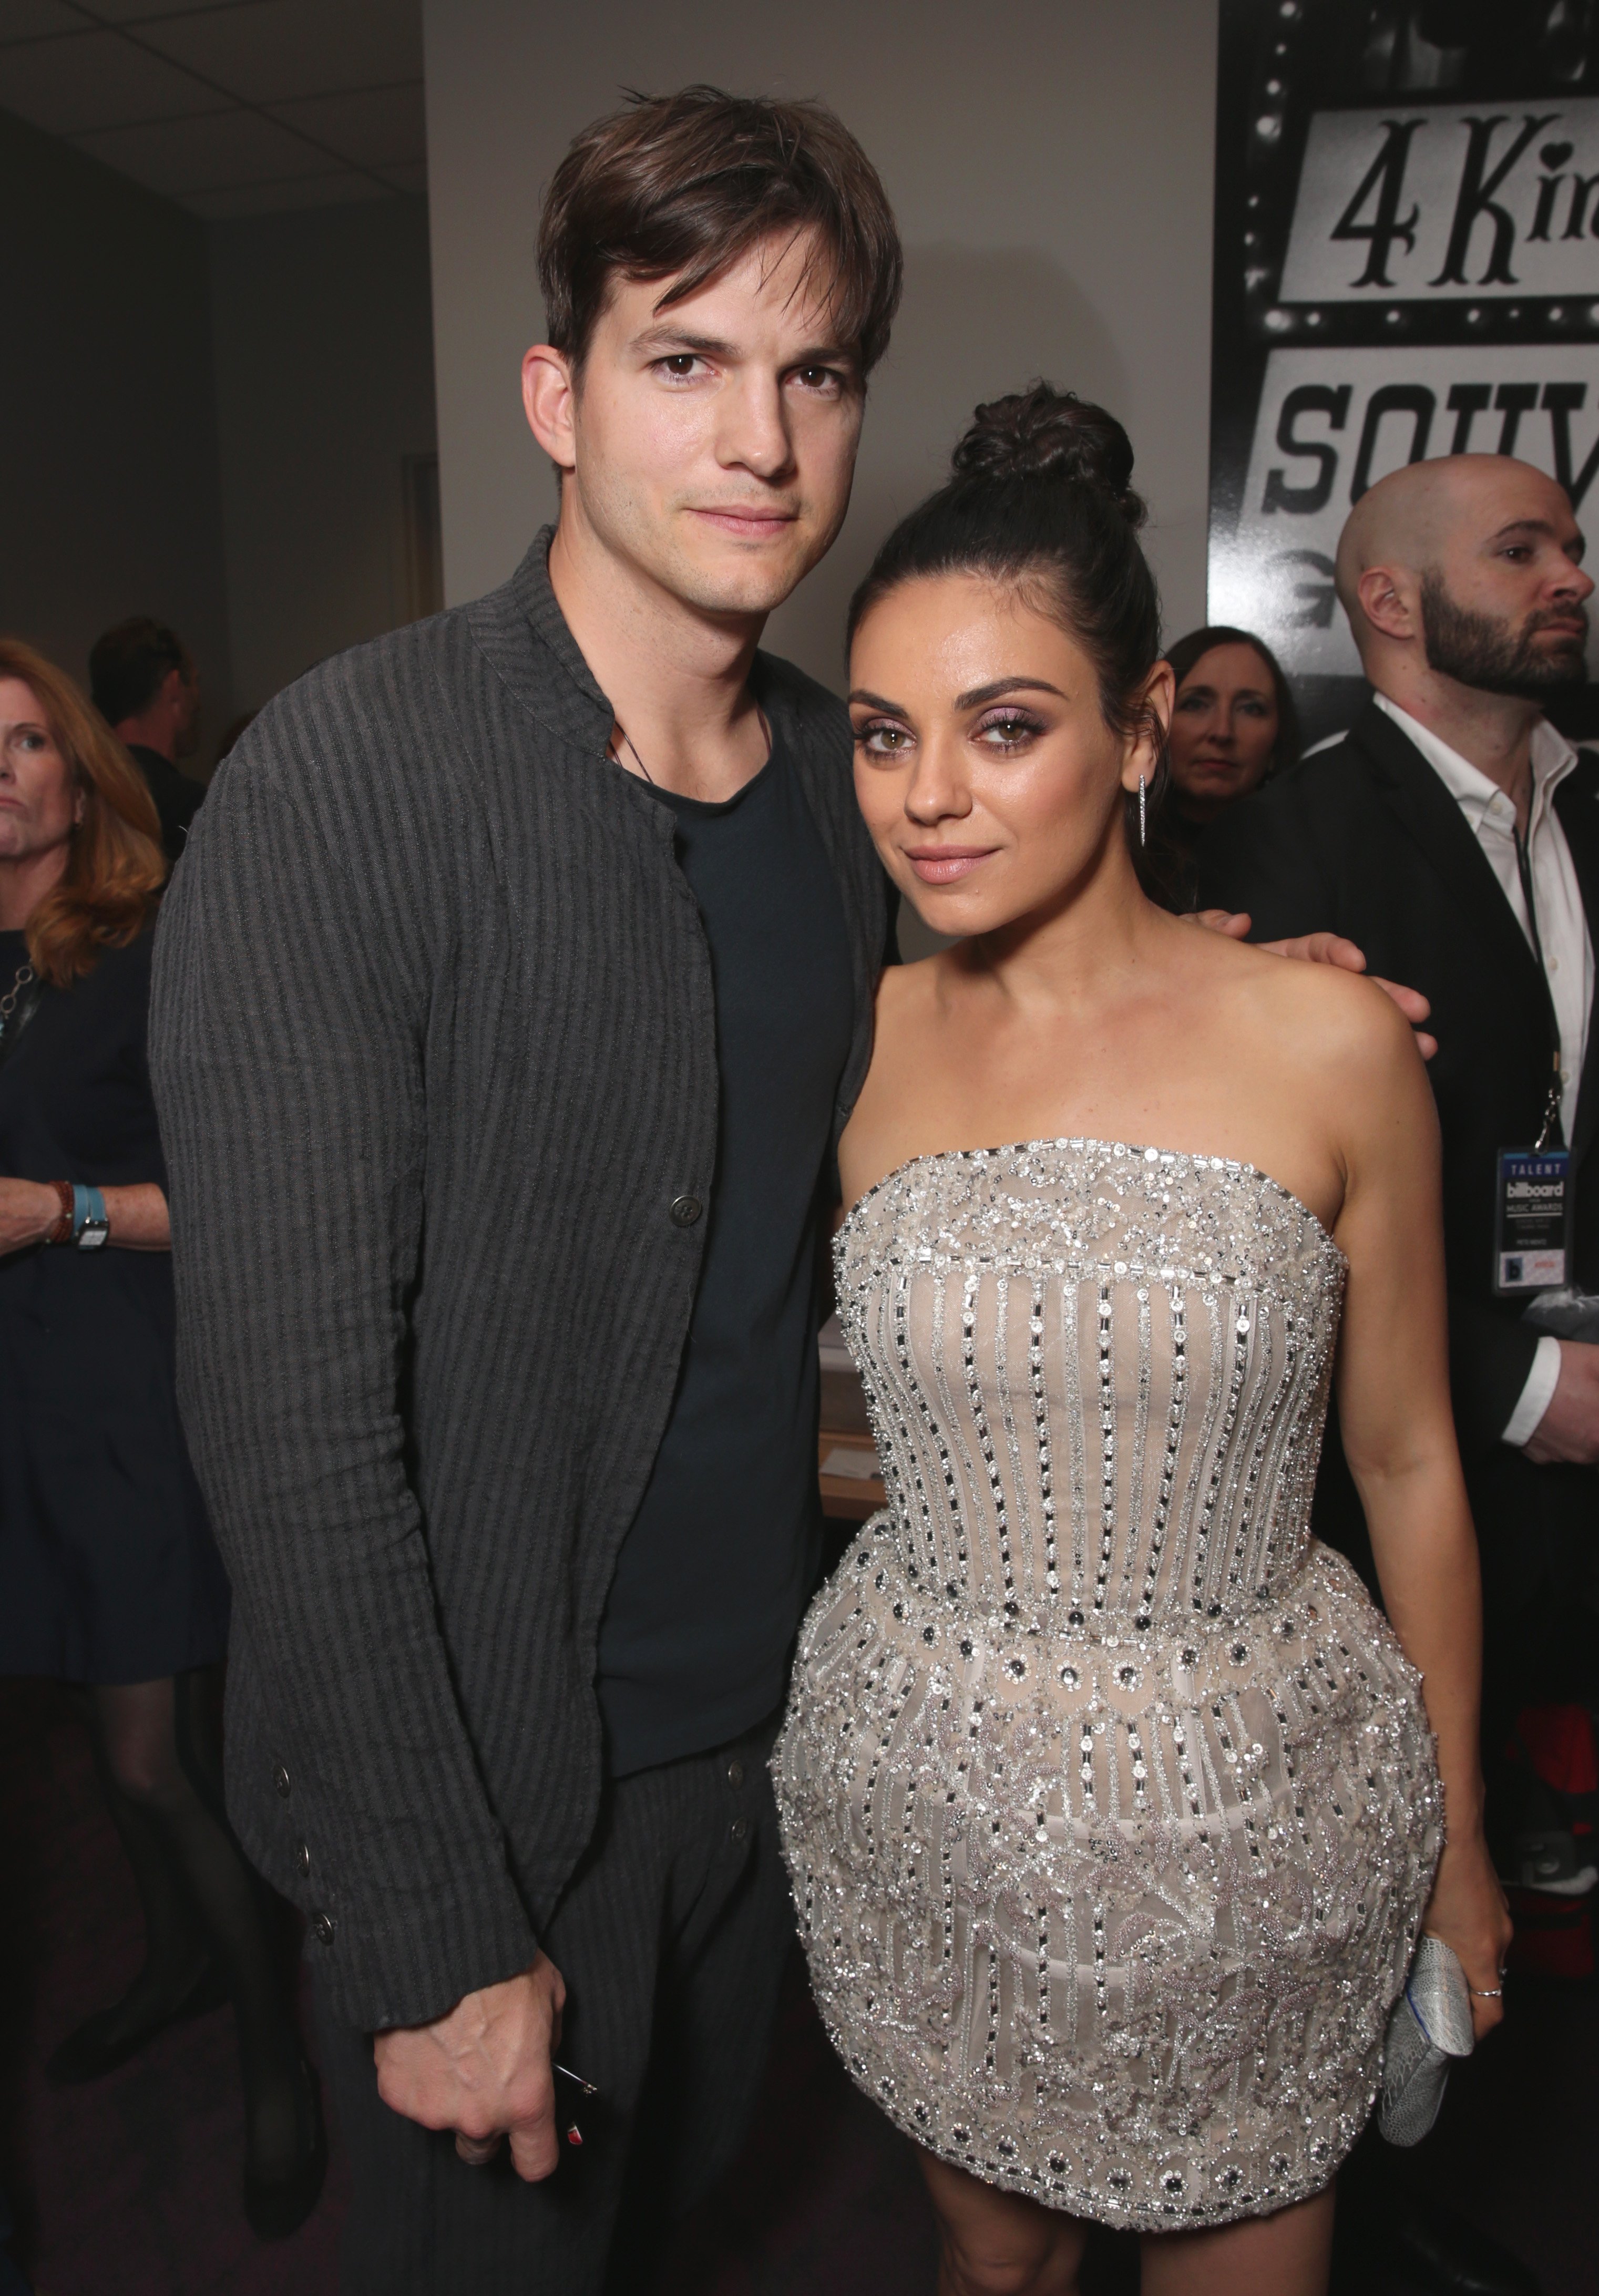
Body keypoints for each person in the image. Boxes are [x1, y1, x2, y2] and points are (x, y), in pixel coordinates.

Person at [147, 89, 1422, 2294]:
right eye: (684, 360)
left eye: (813, 372)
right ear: (555, 395)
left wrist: (1242, 987)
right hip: (501, 1817)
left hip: (788, 1785)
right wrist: (441, 1928)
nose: (761, 435)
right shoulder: (345, 787)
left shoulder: (857, 802)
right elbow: (288, 1433)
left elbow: (1016, 1046)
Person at [772, 388, 1510, 2296]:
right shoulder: (849, 1044)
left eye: (1000, 727)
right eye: (881, 734)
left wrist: (1453, 1836)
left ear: (1131, 738)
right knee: (985, 2263)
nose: (923, 793)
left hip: (1252, 1827)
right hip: (921, 1801)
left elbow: (1411, 1462)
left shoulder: (1324, 1042)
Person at [1196, 452, 1594, 2296]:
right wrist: (1525, 1378)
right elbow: (1291, 1212)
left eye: (1573, 544)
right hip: (1388, 1460)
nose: (1568, 573)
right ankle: (1324, 2199)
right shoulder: (1302, 833)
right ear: (1386, 599)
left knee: (1482, 1814)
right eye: (1524, 548)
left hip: (1550, 1444)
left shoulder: (1585, 803)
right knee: (1351, 1860)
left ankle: (1411, 2139)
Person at [0, 640, 323, 2238]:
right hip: (16, 1404)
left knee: (154, 1753)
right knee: (94, 1736)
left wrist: (52, 1211)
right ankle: (180, 1963)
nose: (0, 773)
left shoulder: (153, 937)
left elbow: (251, 1196)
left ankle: (280, 2059)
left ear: (76, 765)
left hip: (130, 1383)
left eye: (20, 742)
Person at [1160, 626, 1298, 905]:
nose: (1222, 732)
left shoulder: (1306, 861)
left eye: (1250, 709)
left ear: (1278, 736)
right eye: (1196, 704)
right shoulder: (1115, 855)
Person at [88, 617, 206, 864]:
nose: (199, 702)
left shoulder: (83, 800)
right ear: (174, 687)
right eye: (195, 682)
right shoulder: (193, 809)